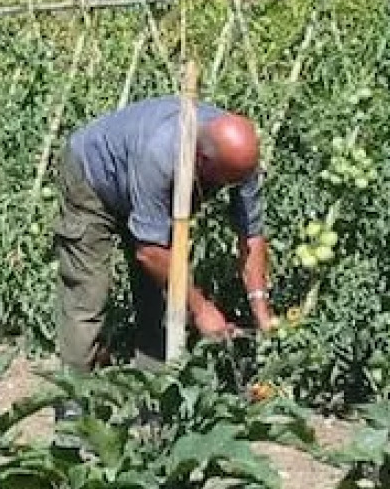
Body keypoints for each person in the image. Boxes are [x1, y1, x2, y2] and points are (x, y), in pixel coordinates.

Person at [52, 95, 276, 376]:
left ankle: (154, 387)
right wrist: (203, 311)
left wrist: (261, 311)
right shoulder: (160, 153)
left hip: (146, 185)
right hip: (93, 180)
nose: (232, 186)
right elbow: (150, 252)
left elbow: (251, 235)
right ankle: (74, 397)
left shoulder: (239, 159)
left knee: (159, 291)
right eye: (226, 180)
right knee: (88, 292)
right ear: (202, 161)